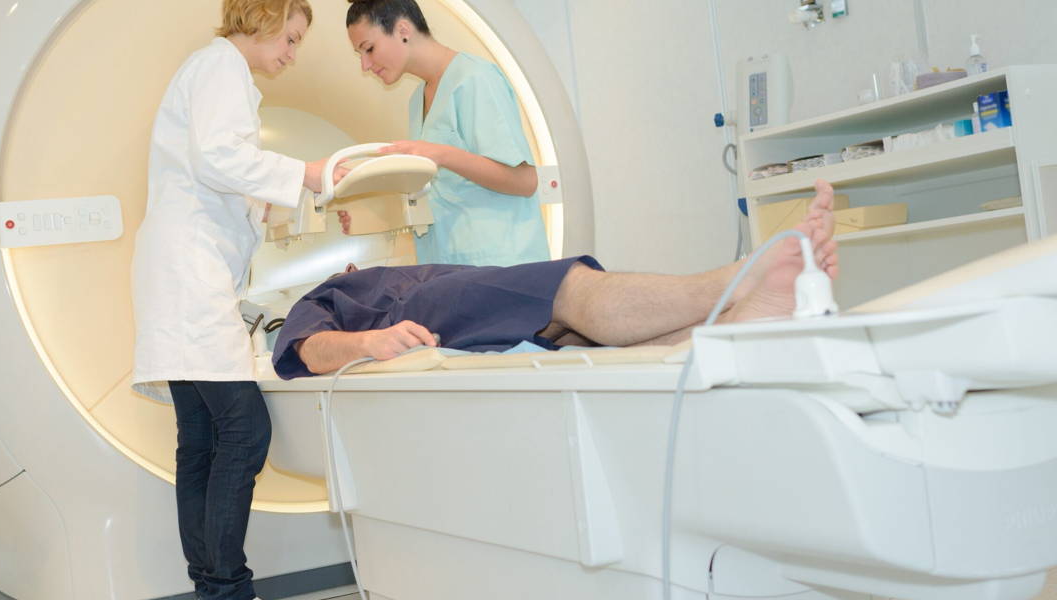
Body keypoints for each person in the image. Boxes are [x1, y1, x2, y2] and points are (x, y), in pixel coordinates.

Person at [129, 1, 344, 598]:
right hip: (188, 274)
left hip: (178, 272)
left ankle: (210, 585)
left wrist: (275, 202)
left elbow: (219, 172)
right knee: (244, 432)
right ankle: (226, 586)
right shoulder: (222, 67)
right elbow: (219, 158)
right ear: (263, 18)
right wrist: (307, 172)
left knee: (199, 439)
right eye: (291, 38)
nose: (292, 53)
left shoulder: (211, 71)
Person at [272, 181, 839, 379]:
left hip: (450, 322)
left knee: (591, 343)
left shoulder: (385, 276)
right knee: (569, 294)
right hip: (422, 316)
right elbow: (305, 346)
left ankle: (738, 321)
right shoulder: (341, 292)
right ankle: (733, 286)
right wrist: (368, 341)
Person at [336, 0, 550, 267]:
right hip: (446, 267)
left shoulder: (474, 78)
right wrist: (370, 214)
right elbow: (442, 195)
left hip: (500, 266)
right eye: (360, 55)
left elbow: (525, 181)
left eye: (369, 49)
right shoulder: (417, 101)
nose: (365, 65)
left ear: (403, 29)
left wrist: (441, 154)